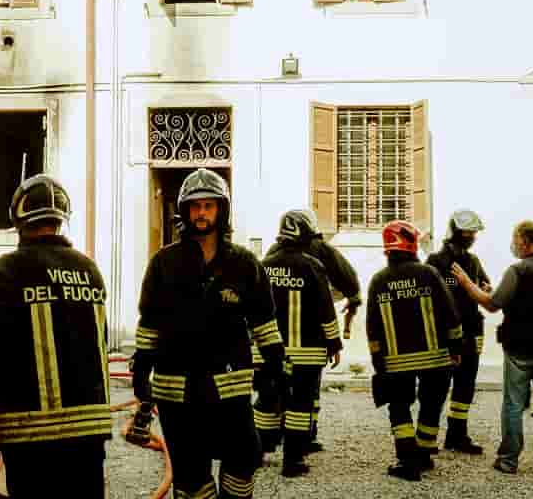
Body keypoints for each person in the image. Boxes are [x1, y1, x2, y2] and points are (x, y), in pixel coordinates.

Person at [131, 169, 285, 499]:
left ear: (221, 210)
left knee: (243, 462)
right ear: (185, 211)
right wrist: (141, 372)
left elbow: (265, 323)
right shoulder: (163, 263)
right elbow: (149, 325)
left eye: (209, 205)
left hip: (230, 391)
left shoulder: (244, 264)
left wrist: (273, 372)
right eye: (195, 206)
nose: (202, 213)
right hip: (178, 392)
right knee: (190, 477)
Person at [0, 174, 111, 498]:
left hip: (31, 432)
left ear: (18, 219)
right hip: (91, 428)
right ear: (61, 221)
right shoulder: (91, 271)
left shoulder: (6, 270)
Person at [451, 220, 533, 480]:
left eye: (515, 238)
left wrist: (466, 283)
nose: (513, 244)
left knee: (513, 405)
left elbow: (492, 304)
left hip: (520, 350)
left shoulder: (517, 271)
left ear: (523, 240)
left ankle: (509, 460)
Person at [366, 221, 462, 482]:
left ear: (387, 248)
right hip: (435, 358)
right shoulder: (429, 274)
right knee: (431, 406)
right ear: (411, 245)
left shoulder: (378, 281)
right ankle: (424, 453)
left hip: (396, 362)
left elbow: (373, 327)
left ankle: (407, 461)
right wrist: (456, 347)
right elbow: (449, 313)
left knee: (399, 408)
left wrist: (378, 361)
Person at [253, 209, 342, 477]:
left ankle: (259, 452)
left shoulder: (263, 265)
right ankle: (293, 461)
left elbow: (252, 310)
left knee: (267, 401)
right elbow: (326, 310)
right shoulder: (313, 266)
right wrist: (334, 342)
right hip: (307, 353)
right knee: (300, 405)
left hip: (268, 351)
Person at [265, 216, 361, 450]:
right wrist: (335, 341)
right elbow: (342, 282)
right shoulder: (321, 254)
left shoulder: (269, 257)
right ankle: (304, 439)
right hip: (309, 341)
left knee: (271, 392)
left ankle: (268, 441)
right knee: (307, 392)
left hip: (272, 343)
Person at [426, 209, 492, 455]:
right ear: (456, 231)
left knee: (466, 384)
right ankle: (428, 437)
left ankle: (457, 434)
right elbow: (433, 294)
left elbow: (485, 286)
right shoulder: (436, 261)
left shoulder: (473, 261)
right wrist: (460, 285)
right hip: (443, 334)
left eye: (474, 231)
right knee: (437, 386)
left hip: (472, 330)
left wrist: (483, 286)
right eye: (469, 231)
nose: (473, 236)